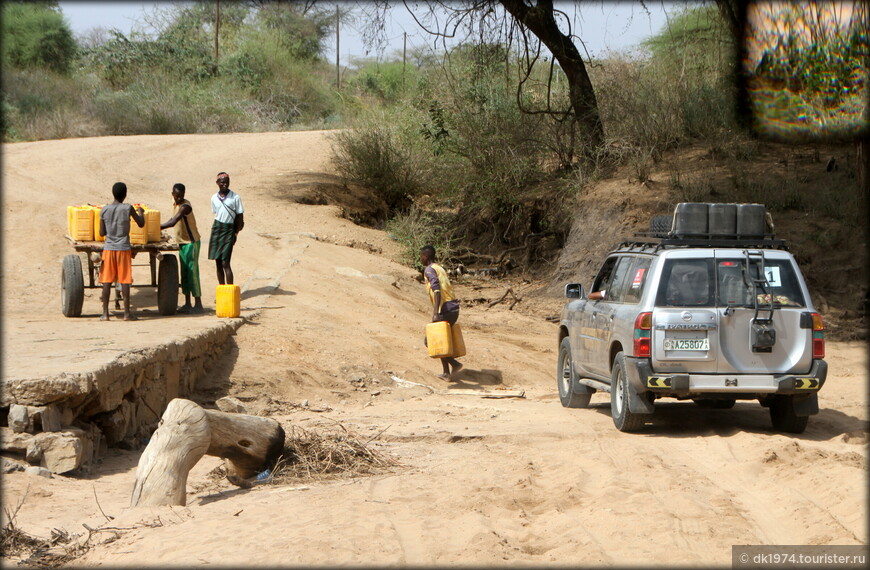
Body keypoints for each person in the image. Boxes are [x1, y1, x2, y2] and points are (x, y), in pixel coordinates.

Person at [99, 182, 145, 321]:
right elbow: (141, 223)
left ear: (113, 193)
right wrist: (140, 212)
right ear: (125, 195)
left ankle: (105, 314)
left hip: (109, 248)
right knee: (125, 280)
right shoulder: (127, 208)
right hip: (123, 248)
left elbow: (102, 232)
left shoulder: (105, 210)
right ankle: (126, 314)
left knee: (106, 280)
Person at [420, 244, 463, 380]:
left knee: (432, 340)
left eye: (421, 256)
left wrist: (435, 312)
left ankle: (454, 364)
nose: (420, 258)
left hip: (445, 309)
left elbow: (437, 290)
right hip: (454, 307)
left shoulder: (429, 270)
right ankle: (446, 373)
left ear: (425, 256)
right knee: (441, 338)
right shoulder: (439, 268)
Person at [160, 183, 204, 313]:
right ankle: (187, 303)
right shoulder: (175, 203)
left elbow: (173, 222)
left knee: (192, 273)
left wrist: (158, 227)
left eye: (181, 196)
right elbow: (172, 218)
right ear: (172, 194)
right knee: (184, 274)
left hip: (191, 243)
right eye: (176, 195)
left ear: (184, 194)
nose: (179, 198)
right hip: (182, 244)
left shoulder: (185, 207)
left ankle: (198, 304)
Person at [208, 172, 244, 285]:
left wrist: (235, 234)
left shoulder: (235, 197)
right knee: (218, 262)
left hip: (229, 230)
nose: (225, 184)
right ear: (217, 183)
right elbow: (215, 212)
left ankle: (229, 291)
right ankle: (222, 290)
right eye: (222, 182)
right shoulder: (214, 198)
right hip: (217, 229)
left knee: (225, 263)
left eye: (227, 182)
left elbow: (240, 218)